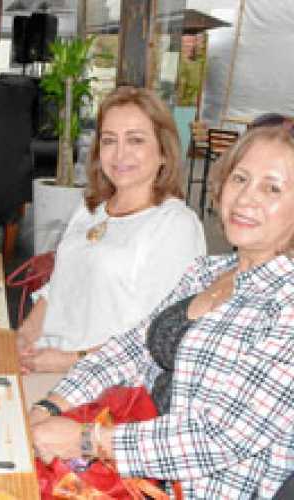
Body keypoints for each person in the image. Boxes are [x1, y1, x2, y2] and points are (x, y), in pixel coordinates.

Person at [29, 124, 294, 499]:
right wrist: (49, 406)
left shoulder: (285, 304)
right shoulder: (207, 272)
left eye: (272, 188)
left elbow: (218, 440)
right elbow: (131, 349)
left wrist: (87, 440)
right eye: (240, 178)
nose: (246, 198)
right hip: (137, 471)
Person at [17, 86, 205, 377]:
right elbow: (59, 289)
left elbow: (157, 337)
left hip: (106, 384)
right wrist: (26, 335)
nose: (120, 154)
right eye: (109, 140)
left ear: (164, 152)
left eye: (136, 140)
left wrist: (69, 360)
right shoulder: (91, 208)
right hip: (44, 363)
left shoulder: (175, 225)